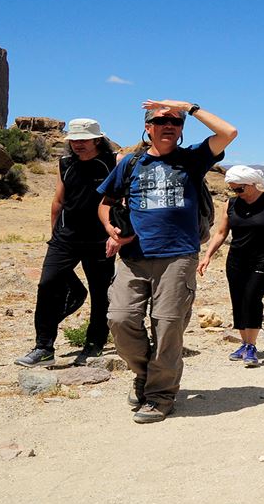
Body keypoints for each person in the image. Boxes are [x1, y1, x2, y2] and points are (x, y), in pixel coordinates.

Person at [97, 99, 236, 424]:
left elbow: (228, 132)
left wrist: (189, 107)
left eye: (176, 121)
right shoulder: (131, 164)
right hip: (133, 259)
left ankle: (159, 396)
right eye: (160, 121)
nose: (169, 125)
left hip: (178, 258)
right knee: (119, 319)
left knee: (168, 327)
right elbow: (105, 203)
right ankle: (146, 375)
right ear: (148, 128)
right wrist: (111, 229)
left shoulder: (192, 160)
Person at [15, 118, 118, 368]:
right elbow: (58, 201)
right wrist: (55, 236)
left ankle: (94, 344)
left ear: (96, 139)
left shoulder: (112, 163)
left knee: (100, 292)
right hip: (65, 238)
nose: (78, 144)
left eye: (83, 140)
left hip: (100, 239)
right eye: (74, 140)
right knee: (48, 284)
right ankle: (44, 346)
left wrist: (117, 234)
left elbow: (121, 199)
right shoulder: (65, 163)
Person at [198, 165, 264, 368]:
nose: (236, 193)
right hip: (236, 260)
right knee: (238, 301)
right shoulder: (230, 204)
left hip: (263, 259)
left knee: (252, 298)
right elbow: (221, 233)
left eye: (239, 189)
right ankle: (244, 343)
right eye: (233, 190)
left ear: (251, 184)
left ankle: (252, 345)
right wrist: (207, 256)